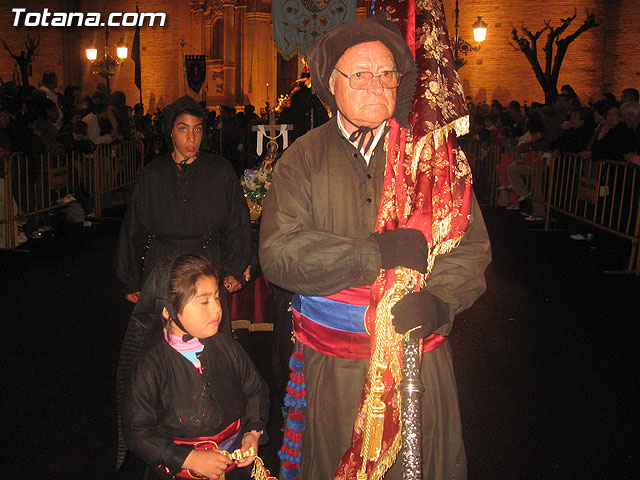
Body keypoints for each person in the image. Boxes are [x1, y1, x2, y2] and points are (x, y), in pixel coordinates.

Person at [260, 11, 490, 480]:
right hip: (336, 367)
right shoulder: (301, 158)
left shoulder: (432, 157)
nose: (377, 85)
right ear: (332, 83)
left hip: (418, 361)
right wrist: (371, 255)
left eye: (387, 74)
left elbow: (471, 246)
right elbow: (280, 254)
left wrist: (441, 301)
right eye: (361, 74)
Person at [122, 253, 269, 480]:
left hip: (234, 470)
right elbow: (137, 432)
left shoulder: (228, 348)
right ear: (167, 310)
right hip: (180, 472)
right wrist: (189, 458)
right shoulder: (150, 366)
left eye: (217, 298)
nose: (217, 310)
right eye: (203, 301)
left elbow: (255, 390)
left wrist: (252, 432)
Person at [115, 95, 251, 310]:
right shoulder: (153, 175)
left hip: (208, 266)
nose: (191, 138)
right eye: (183, 129)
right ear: (171, 131)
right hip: (163, 268)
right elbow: (133, 229)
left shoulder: (220, 171)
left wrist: (235, 268)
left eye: (197, 129)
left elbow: (237, 223)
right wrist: (130, 280)